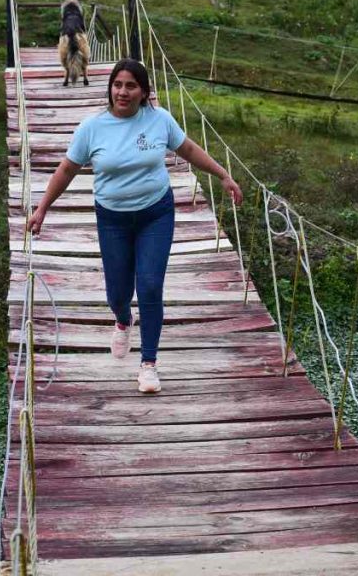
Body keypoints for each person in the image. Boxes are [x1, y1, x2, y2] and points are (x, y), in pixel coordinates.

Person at [27, 59, 243, 393]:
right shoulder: (91, 128)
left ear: (144, 92)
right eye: (117, 85)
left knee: (150, 285)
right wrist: (42, 208)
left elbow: (187, 148)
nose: (123, 92)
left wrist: (223, 175)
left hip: (155, 214)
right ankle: (123, 319)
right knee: (117, 293)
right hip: (112, 219)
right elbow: (67, 170)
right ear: (110, 88)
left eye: (131, 86)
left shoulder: (159, 120)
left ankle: (149, 364)